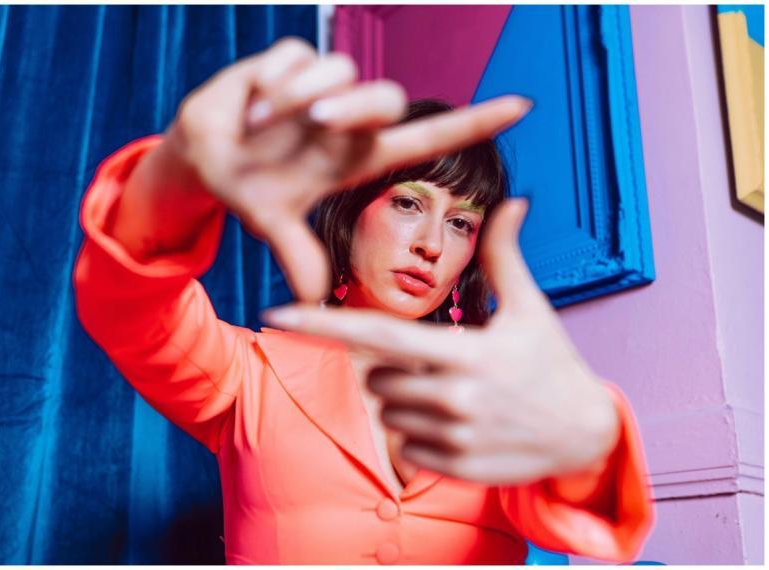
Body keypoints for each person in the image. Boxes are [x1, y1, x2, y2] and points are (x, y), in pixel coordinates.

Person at [73, 37, 654, 564]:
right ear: (351, 214)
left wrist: (591, 445)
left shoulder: (501, 384)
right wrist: (171, 181)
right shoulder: (251, 372)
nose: (430, 244)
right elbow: (135, 309)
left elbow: (578, 516)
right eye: (408, 204)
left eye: (460, 223)